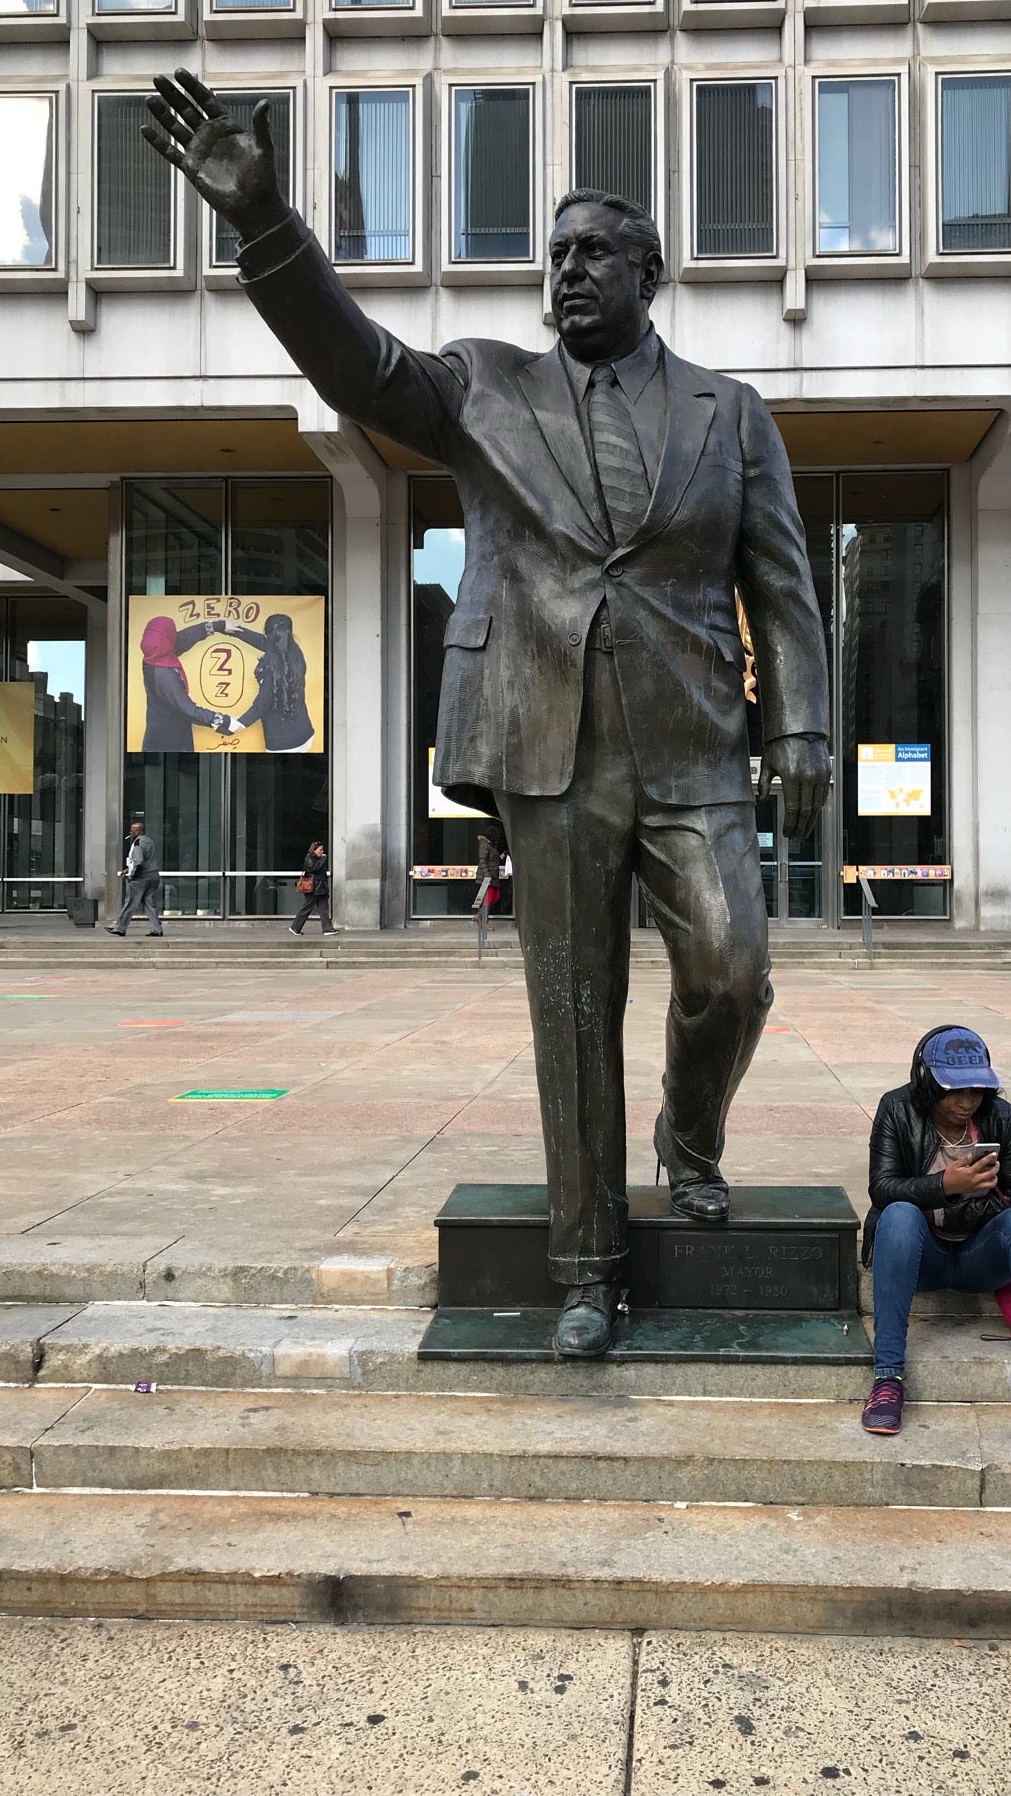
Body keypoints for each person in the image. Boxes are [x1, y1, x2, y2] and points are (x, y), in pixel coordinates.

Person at [142, 71, 831, 1361]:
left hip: (692, 741)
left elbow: (783, 583)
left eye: (594, 254)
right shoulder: (487, 387)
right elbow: (361, 368)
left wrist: (800, 723)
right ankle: (586, 1265)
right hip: (543, 739)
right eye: (555, 255)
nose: (568, 272)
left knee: (732, 972)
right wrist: (267, 228)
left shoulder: (729, 412)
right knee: (571, 1010)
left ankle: (689, 1139)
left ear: (649, 275)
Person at [860, 1025, 1011, 1442]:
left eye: (977, 1090)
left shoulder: (1001, 1117)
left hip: (979, 1258)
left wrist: (957, 1205)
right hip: (922, 1257)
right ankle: (887, 1378)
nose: (967, 1102)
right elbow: (882, 1188)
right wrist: (945, 1186)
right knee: (897, 1215)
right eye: (954, 1090)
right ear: (928, 1082)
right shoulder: (896, 1109)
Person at [221, 613, 316, 751]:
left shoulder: (271, 670)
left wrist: (235, 725)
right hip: (305, 732)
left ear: (267, 634)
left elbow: (260, 706)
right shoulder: (296, 654)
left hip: (283, 744)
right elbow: (264, 642)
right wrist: (235, 630)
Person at [138, 616, 231, 752]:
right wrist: (223, 721)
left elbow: (181, 639)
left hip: (160, 734)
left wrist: (217, 626)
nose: (175, 637)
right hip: (168, 743)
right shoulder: (164, 674)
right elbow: (188, 709)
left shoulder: (153, 656)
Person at [109, 821, 163, 937]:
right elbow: (146, 860)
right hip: (153, 876)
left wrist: (132, 875)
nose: (130, 832)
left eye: (133, 830)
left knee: (130, 902)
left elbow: (138, 862)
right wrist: (127, 869)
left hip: (141, 878)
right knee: (150, 903)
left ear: (139, 831)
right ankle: (157, 929)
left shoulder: (137, 843)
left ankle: (120, 928)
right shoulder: (149, 841)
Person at [290, 840, 336, 937]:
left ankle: (327, 928)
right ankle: (295, 927)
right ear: (314, 850)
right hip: (313, 889)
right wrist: (323, 859)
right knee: (307, 908)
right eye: (320, 850)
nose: (322, 852)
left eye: (322, 850)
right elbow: (314, 868)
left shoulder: (318, 859)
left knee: (324, 909)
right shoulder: (309, 858)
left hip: (321, 888)